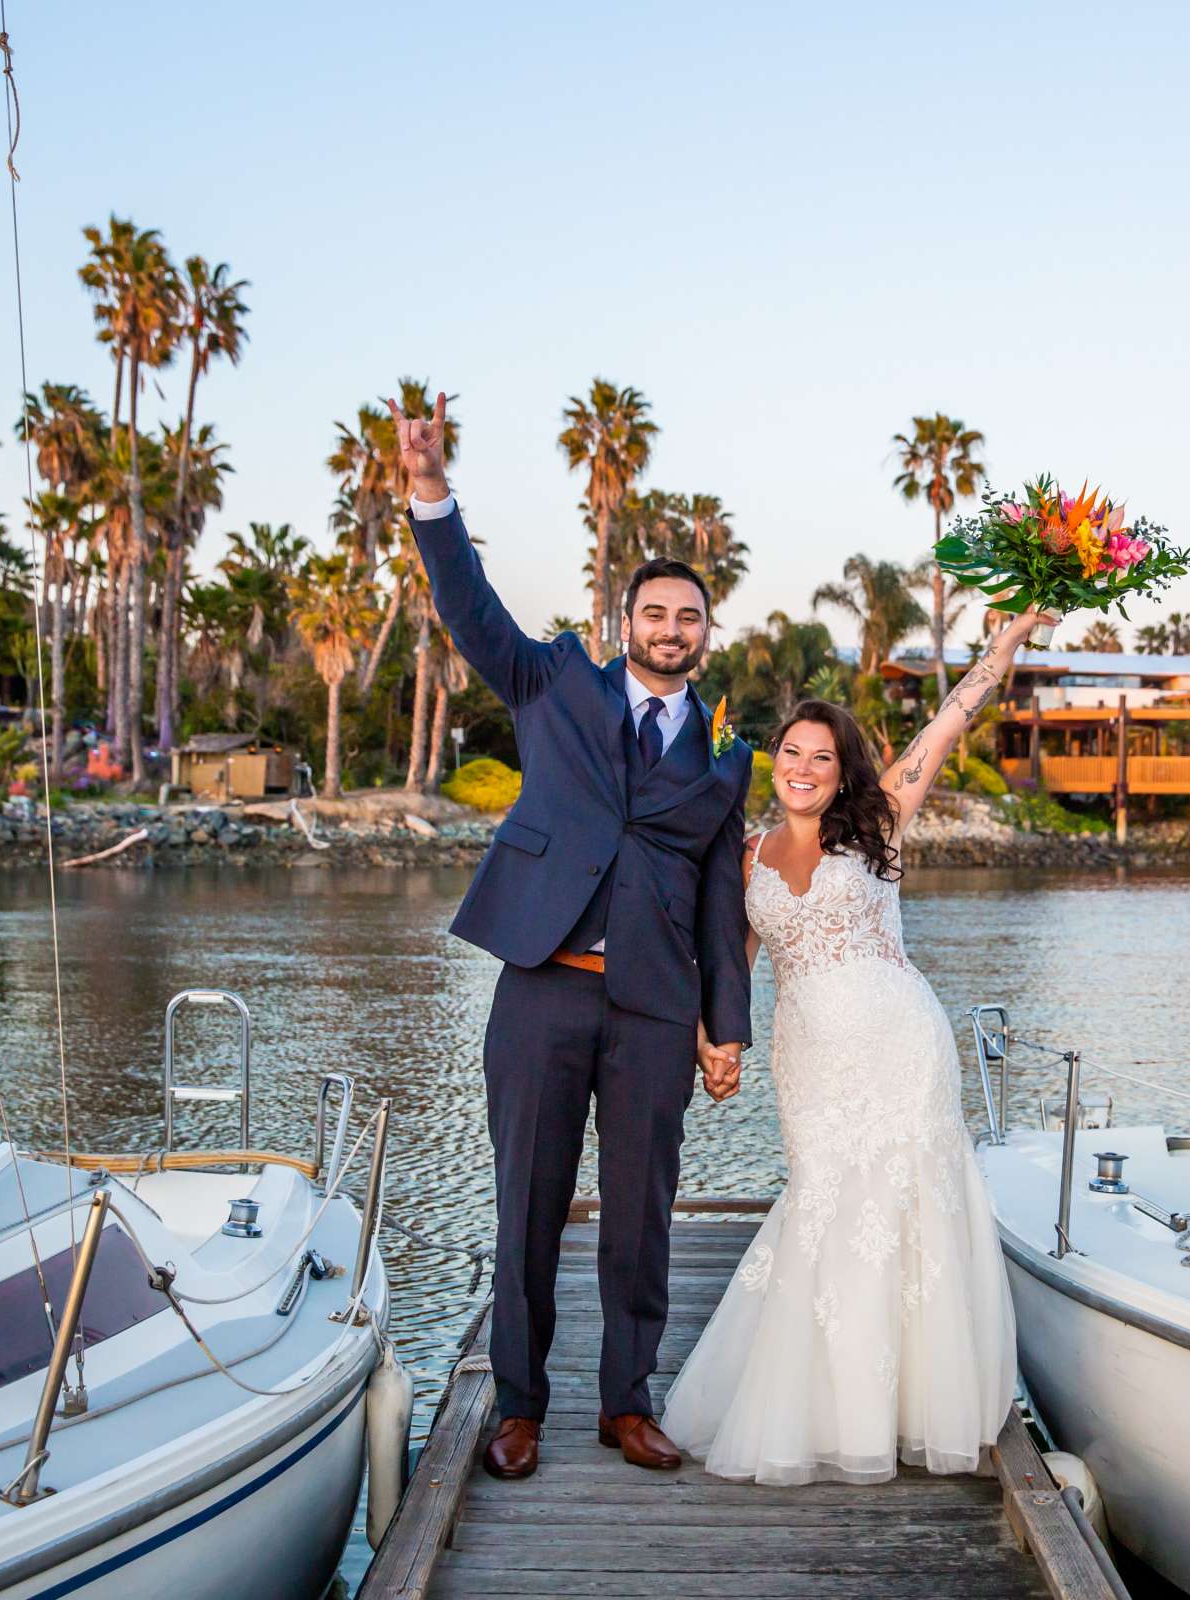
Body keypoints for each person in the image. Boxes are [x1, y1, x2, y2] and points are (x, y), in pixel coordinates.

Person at [394, 394, 755, 1482]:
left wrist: (723, 1027)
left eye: (689, 617)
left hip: (653, 1005)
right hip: (543, 988)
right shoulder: (553, 684)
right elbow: (471, 610)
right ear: (625, 622)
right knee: (527, 1209)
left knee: (641, 1215)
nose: (671, 629)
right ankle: (518, 1405)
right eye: (655, 613)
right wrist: (429, 493)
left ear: (705, 634)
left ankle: (625, 1404)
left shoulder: (723, 761)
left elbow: (718, 906)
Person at [659, 607, 1052, 1485]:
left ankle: (915, 1408)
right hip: (811, 1054)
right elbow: (733, 961)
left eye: (821, 757)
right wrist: (711, 1044)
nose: (803, 768)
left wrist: (1006, 645)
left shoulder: (881, 822)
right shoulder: (746, 855)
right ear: (775, 762)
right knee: (827, 1202)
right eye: (791, 753)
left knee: (908, 1202)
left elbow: (950, 722)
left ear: (843, 773)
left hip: (901, 1042)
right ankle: (830, 1407)